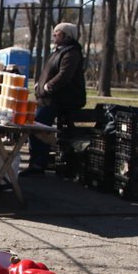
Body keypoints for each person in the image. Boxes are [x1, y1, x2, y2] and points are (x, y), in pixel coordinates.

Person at [22, 21, 87, 176]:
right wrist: (40, 83)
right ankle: (36, 160)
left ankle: (38, 164)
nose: (54, 36)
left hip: (60, 99)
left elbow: (64, 75)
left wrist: (47, 87)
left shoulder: (72, 52)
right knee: (35, 123)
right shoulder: (59, 51)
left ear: (66, 35)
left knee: (38, 125)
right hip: (49, 98)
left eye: (57, 33)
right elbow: (49, 70)